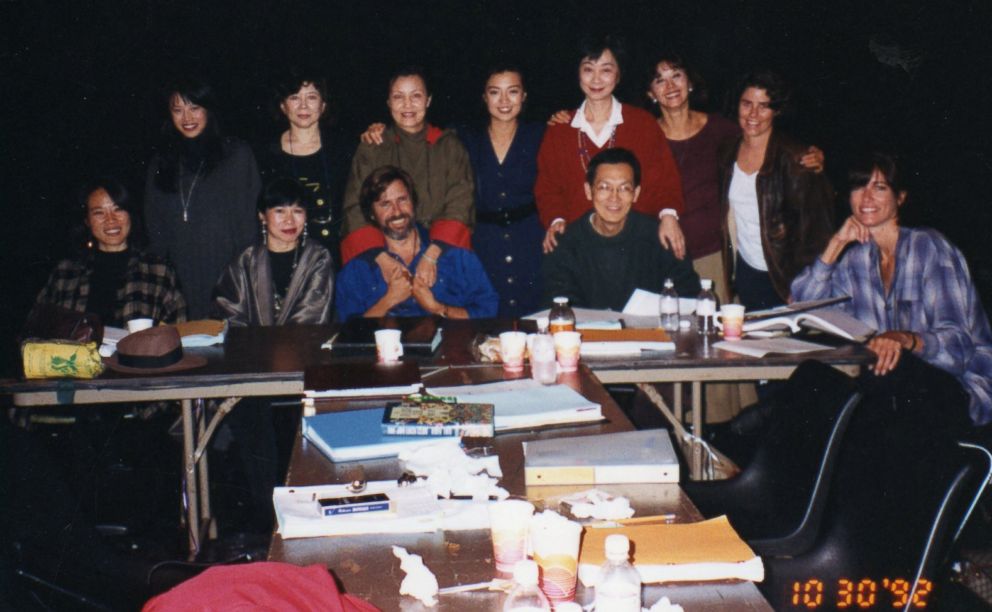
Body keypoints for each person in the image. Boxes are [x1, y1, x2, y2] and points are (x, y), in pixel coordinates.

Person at [792, 151, 992, 428]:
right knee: (812, 375)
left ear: (900, 198)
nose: (866, 197)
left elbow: (958, 348)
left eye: (880, 187)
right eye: (859, 186)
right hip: (893, 389)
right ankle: (731, 434)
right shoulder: (856, 260)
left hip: (959, 388)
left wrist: (903, 338)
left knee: (875, 380)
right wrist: (836, 243)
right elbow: (803, 308)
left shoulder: (929, 248)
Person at [535, 35, 686, 258]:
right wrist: (556, 220)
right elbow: (548, 187)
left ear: (618, 75)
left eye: (606, 70)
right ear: (578, 73)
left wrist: (668, 216)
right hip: (580, 247)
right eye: (588, 69)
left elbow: (664, 180)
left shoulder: (642, 123)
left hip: (636, 245)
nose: (596, 79)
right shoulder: (560, 129)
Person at [341, 66, 474, 286]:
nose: (407, 105)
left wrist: (430, 256)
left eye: (416, 96)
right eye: (398, 97)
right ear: (388, 103)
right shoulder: (373, 147)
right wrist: (383, 259)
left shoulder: (449, 146)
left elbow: (461, 204)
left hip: (440, 253)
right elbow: (354, 207)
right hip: (384, 256)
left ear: (428, 100)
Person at [717, 70, 835, 310]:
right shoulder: (727, 151)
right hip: (747, 271)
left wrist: (803, 282)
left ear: (777, 110)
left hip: (785, 278)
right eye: (747, 104)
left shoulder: (796, 158)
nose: (753, 114)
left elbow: (818, 230)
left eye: (764, 106)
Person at [145, 77, 260, 320]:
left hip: (228, 281)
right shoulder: (161, 163)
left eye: (194, 108)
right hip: (177, 284)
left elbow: (248, 231)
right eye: (178, 110)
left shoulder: (236, 155)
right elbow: (156, 232)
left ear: (209, 109)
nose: (187, 118)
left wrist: (240, 286)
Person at [542, 148, 700, 310]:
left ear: (636, 193)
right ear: (589, 191)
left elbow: (688, 297)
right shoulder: (565, 243)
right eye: (604, 187)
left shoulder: (661, 238)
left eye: (624, 188)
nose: (614, 197)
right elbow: (561, 305)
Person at [336, 166, 498, 321]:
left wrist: (437, 308)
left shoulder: (455, 253)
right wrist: (388, 301)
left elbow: (488, 312)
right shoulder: (357, 267)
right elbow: (348, 332)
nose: (397, 211)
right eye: (385, 204)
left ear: (413, 202)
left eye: (402, 200)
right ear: (371, 214)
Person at [455, 65, 545, 318]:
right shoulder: (463, 138)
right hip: (483, 242)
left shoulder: (541, 134)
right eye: (495, 92)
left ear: (524, 96)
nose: (504, 101)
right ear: (485, 97)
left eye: (513, 91)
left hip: (532, 240)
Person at [35, 178, 186, 327]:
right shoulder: (65, 272)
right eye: (99, 212)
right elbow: (37, 327)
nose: (111, 220)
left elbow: (179, 333)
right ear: (87, 221)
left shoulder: (159, 271)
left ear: (130, 214)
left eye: (118, 209)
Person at [256, 73, 351, 265]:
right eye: (294, 97)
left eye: (312, 97)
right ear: (283, 106)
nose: (303, 106)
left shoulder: (345, 149)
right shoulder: (265, 155)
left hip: (339, 254)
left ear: (323, 106)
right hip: (288, 256)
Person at [212, 177, 333, 326]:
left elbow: (313, 315)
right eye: (280, 211)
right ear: (262, 216)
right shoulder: (245, 260)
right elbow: (230, 315)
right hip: (252, 346)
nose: (289, 220)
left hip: (302, 344)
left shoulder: (318, 257)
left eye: (297, 211)